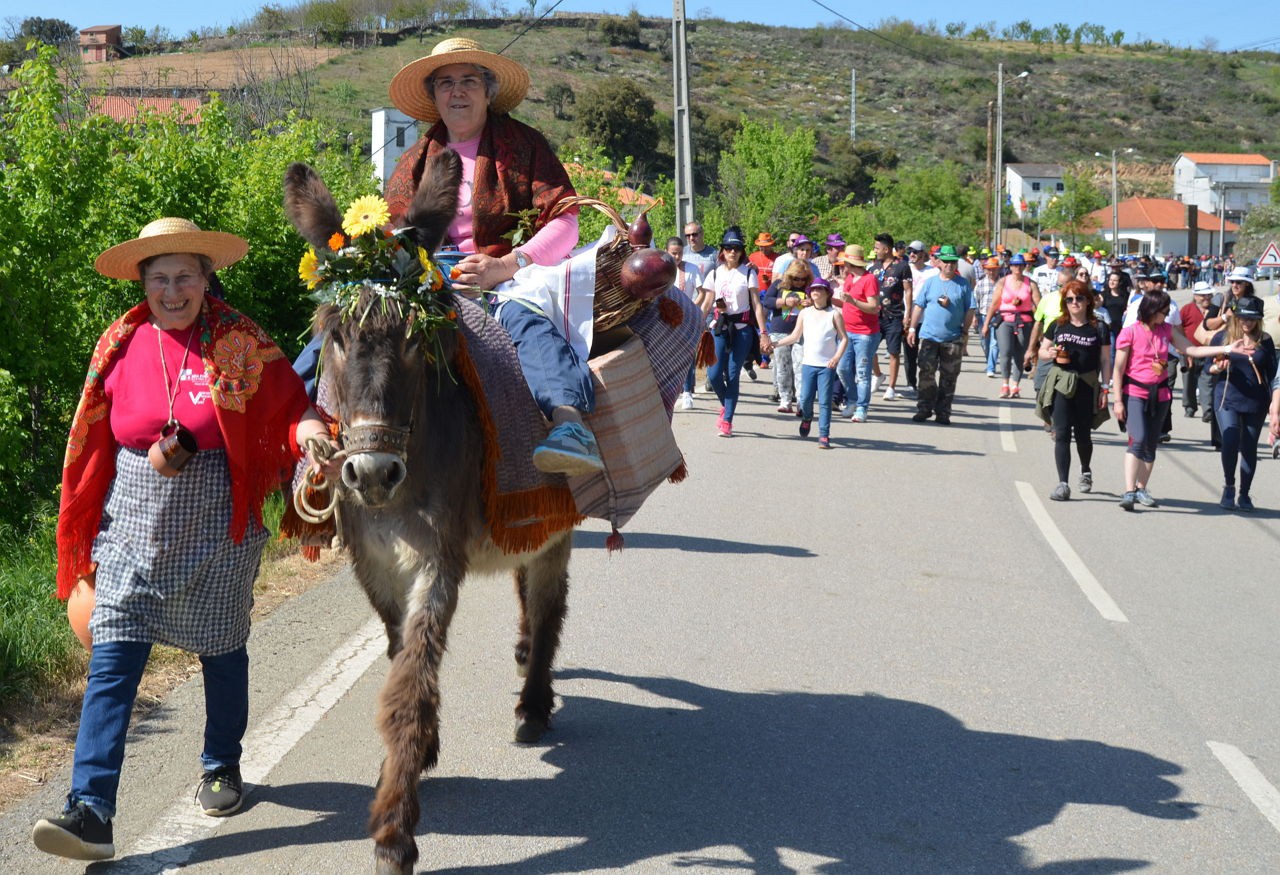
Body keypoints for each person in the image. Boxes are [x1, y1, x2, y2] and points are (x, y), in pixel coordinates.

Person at [33, 219, 337, 862]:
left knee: (222, 649)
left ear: (205, 279)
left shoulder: (240, 340)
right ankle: (91, 809)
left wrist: (309, 435)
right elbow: (94, 440)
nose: (172, 290)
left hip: (218, 526)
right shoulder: (121, 342)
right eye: (159, 277)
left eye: (184, 276)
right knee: (113, 657)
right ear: (142, 282)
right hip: (132, 527)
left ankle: (221, 765)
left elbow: (289, 408)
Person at [383, 37, 603, 476]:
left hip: (509, 277)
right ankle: (308, 428)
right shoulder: (415, 161)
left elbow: (566, 221)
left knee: (525, 320)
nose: (457, 91)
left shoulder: (523, 147)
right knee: (354, 323)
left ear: (488, 91)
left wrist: (505, 265)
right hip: (429, 279)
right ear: (434, 96)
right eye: (445, 82)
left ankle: (569, 424)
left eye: (468, 80)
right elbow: (392, 232)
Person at [1110, 289, 1242, 511]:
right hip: (1135, 392)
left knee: (1151, 443)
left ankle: (1142, 488)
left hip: (1160, 394)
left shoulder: (1166, 330)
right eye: (1163, 311)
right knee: (1138, 438)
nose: (1166, 314)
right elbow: (1118, 368)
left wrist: (1227, 348)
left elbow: (1191, 349)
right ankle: (1129, 491)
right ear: (1152, 310)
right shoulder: (1130, 332)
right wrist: (1117, 400)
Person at [1034, 280, 1111, 501]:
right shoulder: (1058, 325)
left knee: (1084, 435)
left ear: (1088, 301)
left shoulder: (1099, 327)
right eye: (1069, 299)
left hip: (1087, 384)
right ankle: (1063, 483)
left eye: (1079, 298)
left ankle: (1085, 470)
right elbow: (1042, 350)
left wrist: (1105, 388)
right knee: (1062, 433)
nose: (1074, 302)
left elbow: (1106, 360)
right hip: (1061, 384)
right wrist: (1048, 354)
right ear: (1064, 303)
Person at [1206, 296, 1277, 511]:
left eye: (1252, 319)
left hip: (1255, 400)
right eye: (1243, 318)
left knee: (1249, 447)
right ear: (1236, 317)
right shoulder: (1222, 337)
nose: (1247, 323)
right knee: (1229, 439)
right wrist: (1218, 368)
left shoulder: (1265, 341)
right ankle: (1229, 487)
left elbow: (1273, 374)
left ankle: (1244, 494)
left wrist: (1275, 404)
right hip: (1226, 396)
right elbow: (1207, 367)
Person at [701, 227, 771, 437]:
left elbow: (757, 305)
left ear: (742, 251)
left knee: (732, 374)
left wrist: (764, 332)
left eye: (737, 248)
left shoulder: (748, 273)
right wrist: (696, 324)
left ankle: (727, 420)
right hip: (720, 327)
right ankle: (727, 406)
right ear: (722, 250)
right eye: (729, 248)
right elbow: (706, 302)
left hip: (742, 330)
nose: (733, 252)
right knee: (713, 375)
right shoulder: (715, 272)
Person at [773, 276, 847, 449]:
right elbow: (795, 336)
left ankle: (824, 435)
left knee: (824, 401)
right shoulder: (805, 313)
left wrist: (836, 358)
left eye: (820, 289)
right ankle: (807, 418)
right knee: (805, 399)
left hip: (826, 366)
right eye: (813, 289)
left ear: (827, 293)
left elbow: (844, 339)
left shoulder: (834, 314)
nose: (815, 292)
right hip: (808, 364)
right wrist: (775, 344)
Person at [908, 245, 975, 425]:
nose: (949, 265)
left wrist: (965, 329)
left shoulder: (963, 285)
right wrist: (912, 328)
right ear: (939, 262)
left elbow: (971, 308)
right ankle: (924, 408)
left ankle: (943, 411)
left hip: (952, 337)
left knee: (949, 377)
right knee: (926, 373)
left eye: (952, 262)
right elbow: (919, 306)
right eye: (946, 262)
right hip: (930, 337)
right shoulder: (930, 282)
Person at [833, 243, 881, 423]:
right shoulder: (849, 279)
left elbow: (874, 307)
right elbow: (846, 303)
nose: (843, 266)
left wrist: (852, 300)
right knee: (843, 368)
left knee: (862, 372)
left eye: (845, 262)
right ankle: (852, 400)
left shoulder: (869, 279)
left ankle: (862, 407)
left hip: (865, 333)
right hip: (847, 331)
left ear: (851, 263)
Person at [982, 252, 1040, 399]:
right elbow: (994, 304)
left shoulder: (1031, 283)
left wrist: (1042, 325)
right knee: (1005, 352)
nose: (1018, 268)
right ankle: (1005, 384)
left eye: (1020, 265)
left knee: (1020, 355)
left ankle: (1015, 385)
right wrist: (986, 323)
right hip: (1005, 320)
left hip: (1025, 321)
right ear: (1010, 266)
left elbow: (1039, 306)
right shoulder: (1003, 282)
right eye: (1015, 265)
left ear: (1024, 265)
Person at [760, 260, 810, 413]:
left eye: (803, 279)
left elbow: (823, 301)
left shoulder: (810, 287)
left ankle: (802, 402)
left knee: (800, 367)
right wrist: (784, 301)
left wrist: (812, 302)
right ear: (789, 276)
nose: (800, 282)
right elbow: (766, 301)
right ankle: (785, 399)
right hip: (779, 330)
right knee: (782, 367)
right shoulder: (778, 285)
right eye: (796, 278)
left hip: (802, 332)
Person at [872, 233, 913, 401]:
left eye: (877, 248)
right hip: (875, 315)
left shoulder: (902, 266)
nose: (875, 251)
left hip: (894, 315)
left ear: (886, 249)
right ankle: (878, 374)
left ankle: (891, 387)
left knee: (894, 351)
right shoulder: (873, 267)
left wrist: (908, 315)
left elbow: (908, 290)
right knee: (870, 348)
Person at [668, 236, 706, 411]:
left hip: (686, 318)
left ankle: (687, 392)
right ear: (667, 252)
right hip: (667, 318)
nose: (677, 257)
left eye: (680, 253)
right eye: (674, 253)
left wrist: (691, 308)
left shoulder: (692, 269)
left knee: (687, 355)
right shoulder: (663, 270)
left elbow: (701, 292)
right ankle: (670, 390)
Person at [1179, 281, 1212, 419]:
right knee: (1189, 381)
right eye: (1203, 295)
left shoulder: (1214, 309)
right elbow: (1178, 329)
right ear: (1196, 296)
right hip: (1189, 351)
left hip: (1209, 351)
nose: (1206, 298)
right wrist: (1182, 349)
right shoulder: (1187, 309)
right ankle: (1190, 407)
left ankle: (1208, 410)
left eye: (1208, 295)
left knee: (1207, 381)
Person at [973, 255, 1001, 379]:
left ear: (998, 269)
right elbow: (975, 301)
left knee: (995, 343)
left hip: (998, 317)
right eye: (989, 269)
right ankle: (989, 361)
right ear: (985, 270)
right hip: (983, 316)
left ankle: (991, 367)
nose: (991, 271)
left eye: (994, 269)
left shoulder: (1003, 283)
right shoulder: (980, 284)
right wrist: (974, 317)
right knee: (985, 342)